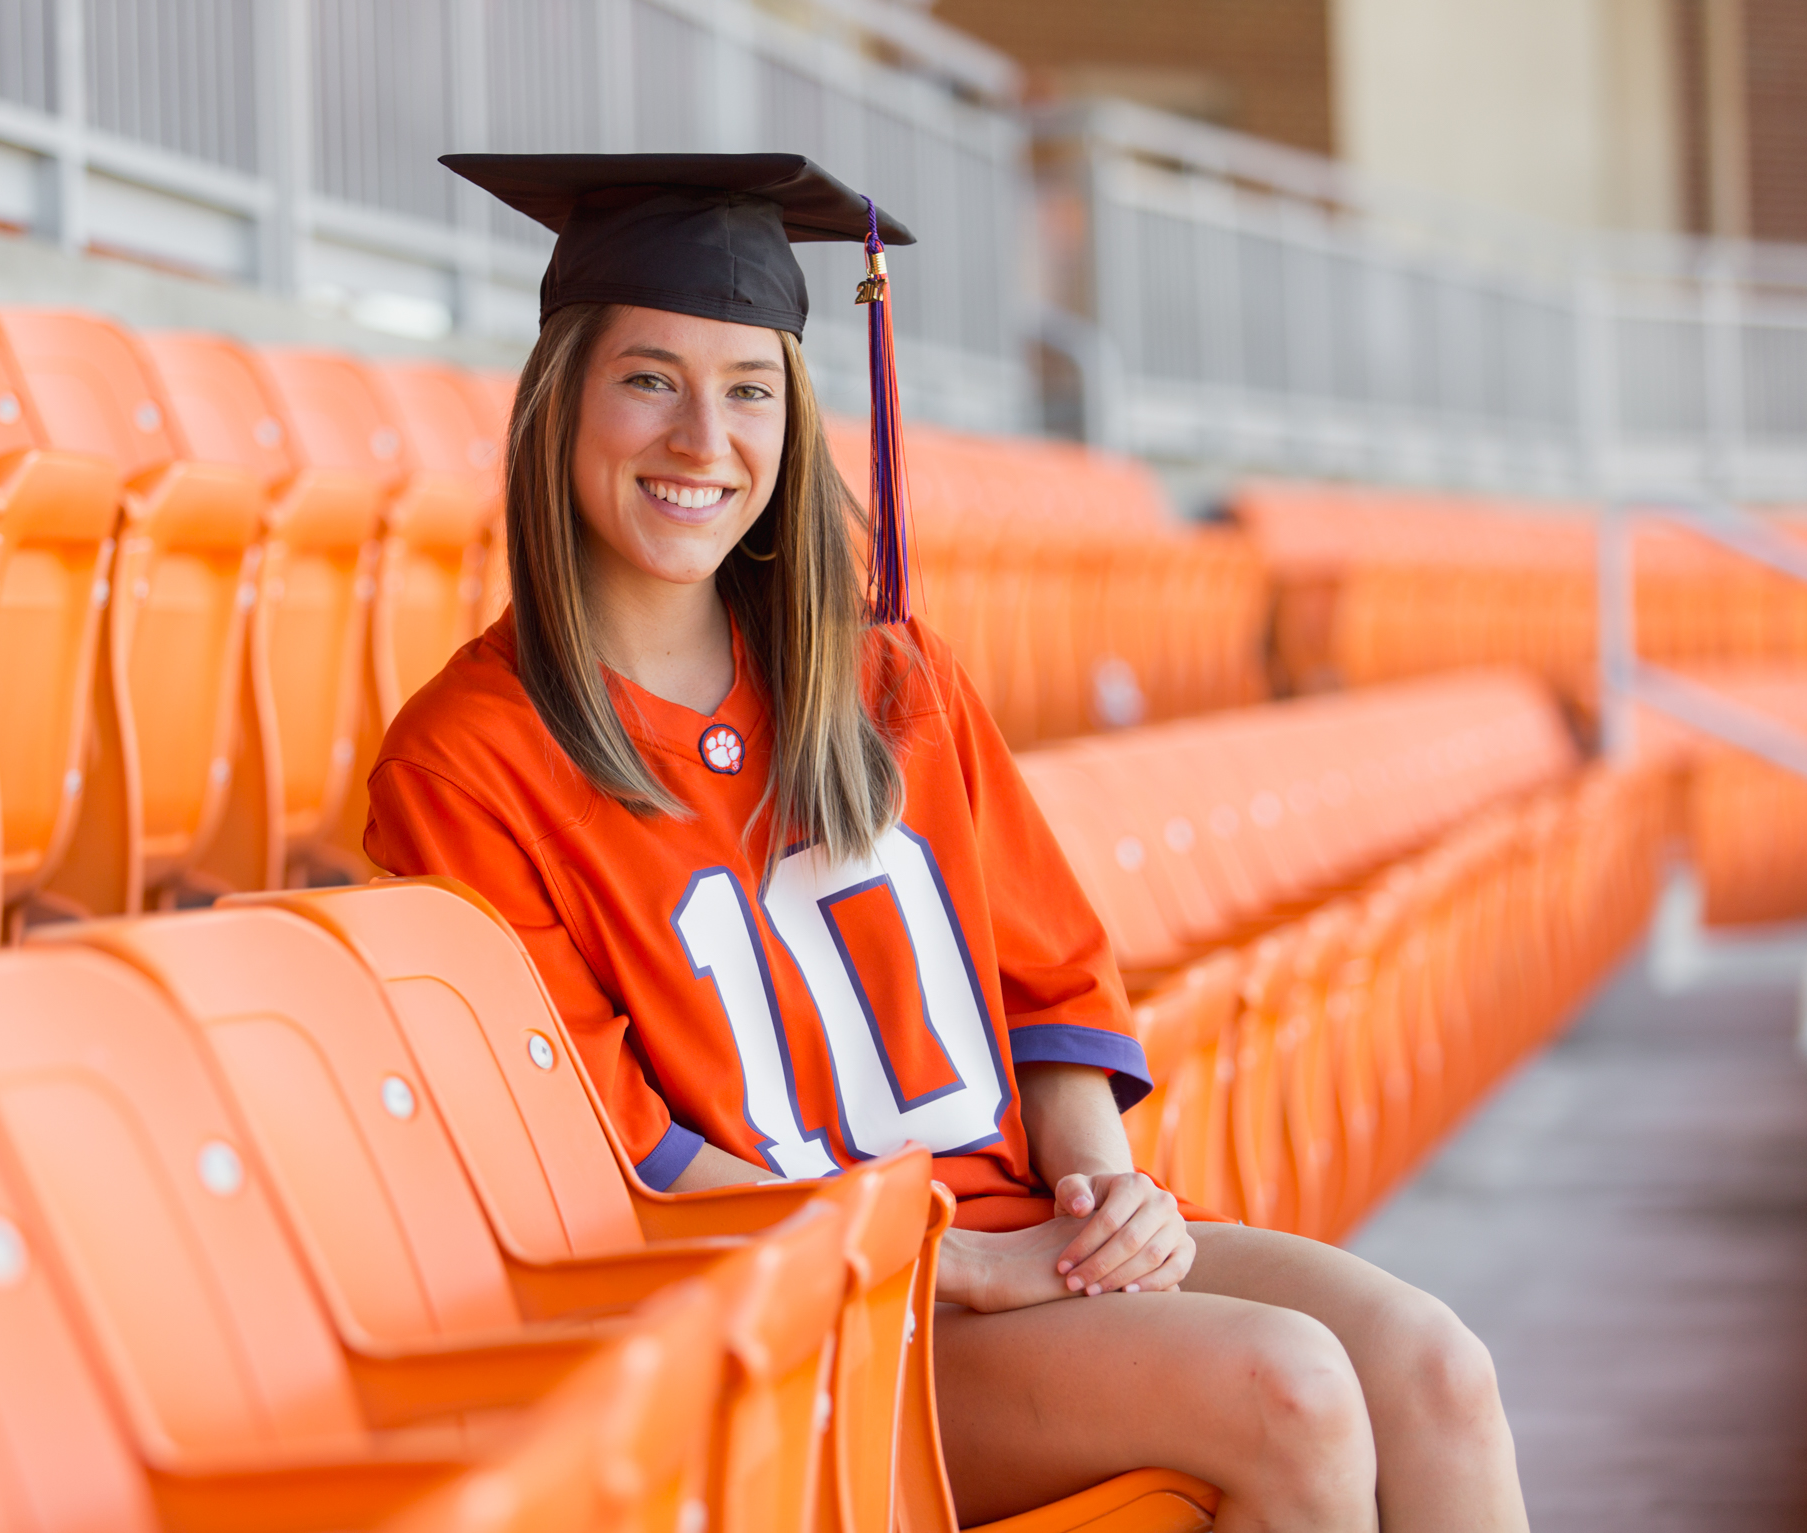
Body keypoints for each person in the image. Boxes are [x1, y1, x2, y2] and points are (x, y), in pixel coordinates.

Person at [365, 152, 1528, 1533]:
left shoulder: (893, 683)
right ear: (560, 403)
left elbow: (1050, 993)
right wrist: (964, 1266)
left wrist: (1104, 1192)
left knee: (1439, 1372)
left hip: (1022, 1243)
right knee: (1289, 1389)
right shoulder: (468, 760)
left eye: (748, 390)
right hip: (807, 1317)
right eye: (648, 379)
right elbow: (618, 1153)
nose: (701, 439)